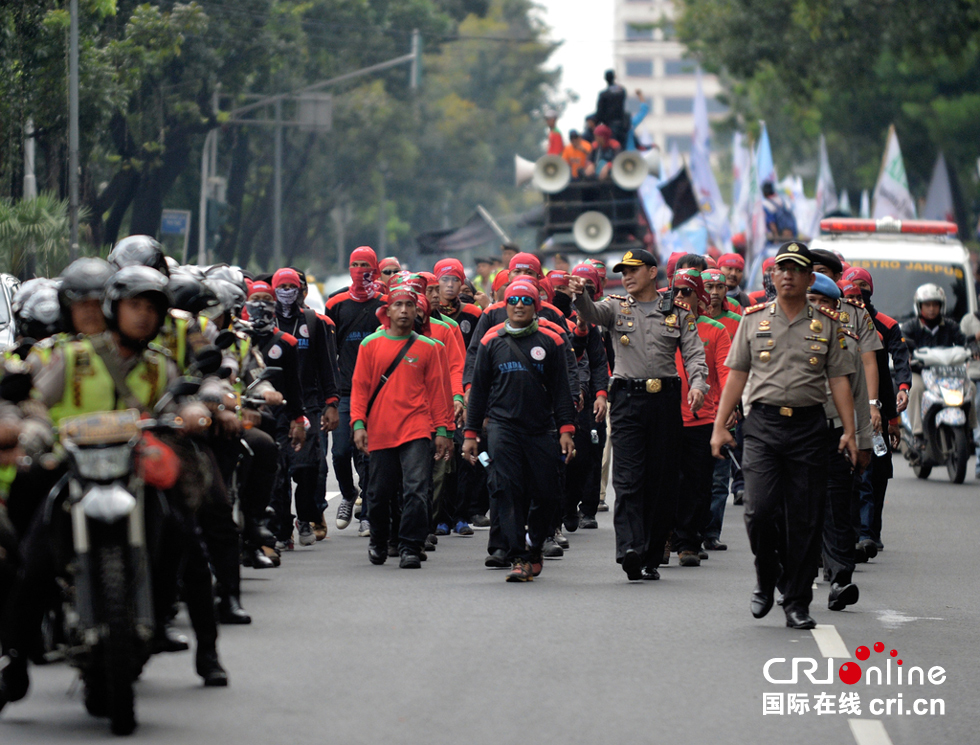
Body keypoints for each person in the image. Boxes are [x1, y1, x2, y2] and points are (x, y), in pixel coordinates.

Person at [710, 241, 857, 630]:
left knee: (805, 519)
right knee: (758, 510)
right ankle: (766, 575)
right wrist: (720, 425)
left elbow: (839, 380)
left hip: (809, 428)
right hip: (762, 427)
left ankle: (797, 601)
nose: (788, 275)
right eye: (782, 268)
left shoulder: (827, 325)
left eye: (797, 269)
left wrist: (850, 432)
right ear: (772, 276)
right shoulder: (753, 320)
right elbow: (737, 375)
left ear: (811, 278)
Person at [570, 249, 708, 581]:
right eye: (623, 271)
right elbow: (591, 312)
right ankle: (629, 549)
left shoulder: (678, 312)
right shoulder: (616, 307)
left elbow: (693, 353)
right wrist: (580, 296)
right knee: (628, 478)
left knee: (661, 481)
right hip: (628, 401)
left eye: (634, 270)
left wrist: (699, 385)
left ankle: (650, 554)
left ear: (651, 272)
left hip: (665, 402)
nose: (627, 276)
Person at [463, 281, 576, 581]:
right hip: (503, 428)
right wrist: (471, 434)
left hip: (541, 429)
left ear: (535, 305)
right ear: (505, 304)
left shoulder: (552, 340)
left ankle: (534, 544)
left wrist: (566, 429)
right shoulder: (491, 341)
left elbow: (562, 390)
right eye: (513, 299)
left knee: (547, 493)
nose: (519, 305)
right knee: (506, 490)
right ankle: (519, 557)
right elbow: (478, 393)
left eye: (526, 299)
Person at [350, 286, 453, 569]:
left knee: (417, 489)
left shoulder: (430, 347)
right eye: (399, 305)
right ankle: (380, 541)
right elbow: (359, 388)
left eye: (410, 305)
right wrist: (358, 423)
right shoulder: (370, 344)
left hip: (417, 428)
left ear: (417, 310)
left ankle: (410, 545)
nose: (405, 311)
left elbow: (438, 393)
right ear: (387, 311)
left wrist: (443, 431)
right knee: (379, 493)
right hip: (380, 429)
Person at [805, 273, 871, 612]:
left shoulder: (846, 340)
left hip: (834, 432)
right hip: (794, 432)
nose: (816, 308)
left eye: (823, 303)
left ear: (835, 307)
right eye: (810, 301)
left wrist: (863, 441)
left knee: (836, 508)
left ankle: (841, 578)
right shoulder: (787, 336)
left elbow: (857, 393)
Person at [669, 269, 731, 567]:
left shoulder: (715, 329)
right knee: (667, 480)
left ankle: (689, 541)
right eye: (675, 291)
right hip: (664, 417)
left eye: (686, 292)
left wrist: (726, 410)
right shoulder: (660, 324)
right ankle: (669, 534)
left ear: (698, 296)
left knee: (698, 484)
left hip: (702, 418)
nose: (679, 297)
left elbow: (726, 373)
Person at [325, 247, 386, 536]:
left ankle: (368, 512)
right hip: (345, 391)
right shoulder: (336, 304)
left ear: (375, 269)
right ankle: (348, 494)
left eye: (366, 265)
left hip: (376, 392)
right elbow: (327, 353)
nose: (360, 269)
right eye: (355, 264)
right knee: (340, 451)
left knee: (368, 455)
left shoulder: (385, 304)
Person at [700, 268, 740, 550]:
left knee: (718, 479)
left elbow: (738, 370)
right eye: (709, 286)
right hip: (692, 412)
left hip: (724, 410)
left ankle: (711, 532)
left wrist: (735, 404)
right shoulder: (684, 321)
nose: (715, 292)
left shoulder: (737, 322)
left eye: (720, 287)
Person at [901, 283, 967, 450]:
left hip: (947, 375)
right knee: (915, 389)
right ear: (919, 306)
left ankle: (971, 430)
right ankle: (917, 434)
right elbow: (901, 344)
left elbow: (963, 341)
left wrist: (972, 347)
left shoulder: (951, 325)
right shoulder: (910, 326)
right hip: (920, 373)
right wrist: (907, 354)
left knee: (971, 387)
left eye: (935, 304)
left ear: (941, 306)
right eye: (927, 305)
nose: (931, 309)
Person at [595, 69, 627, 145]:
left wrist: (598, 124)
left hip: (609, 125)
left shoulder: (604, 94)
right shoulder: (622, 91)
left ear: (605, 78)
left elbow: (599, 112)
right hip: (622, 124)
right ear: (614, 77)